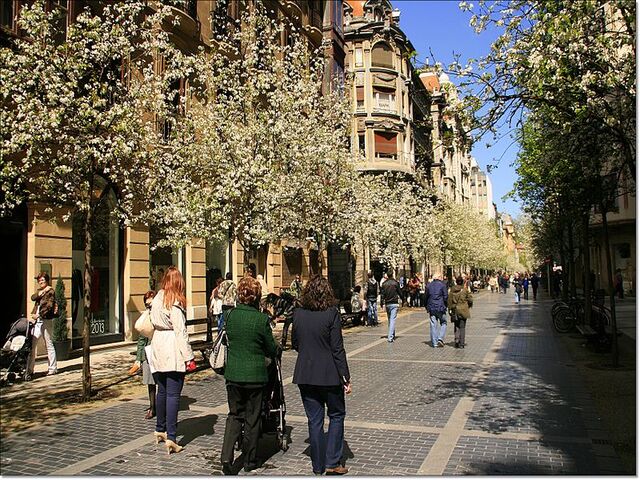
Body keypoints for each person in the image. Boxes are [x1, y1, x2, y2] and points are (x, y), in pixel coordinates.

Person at [292, 275, 351, 476]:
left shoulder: (298, 313)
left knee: (314, 420)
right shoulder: (331, 313)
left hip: (305, 373)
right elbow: (337, 348)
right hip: (329, 374)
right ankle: (332, 461)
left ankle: (317, 466)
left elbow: (295, 343)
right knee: (336, 415)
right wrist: (345, 377)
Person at [221, 276, 278, 474]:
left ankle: (227, 458)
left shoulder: (229, 316)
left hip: (234, 374)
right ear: (256, 297)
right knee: (252, 419)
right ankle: (249, 460)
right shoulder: (261, 319)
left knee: (234, 415)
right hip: (255, 376)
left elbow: (227, 341)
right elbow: (271, 348)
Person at [148, 266, 195, 454]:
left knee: (162, 391)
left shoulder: (157, 298)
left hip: (158, 344)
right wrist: (189, 357)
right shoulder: (174, 301)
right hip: (171, 346)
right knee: (173, 394)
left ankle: (160, 429)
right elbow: (181, 332)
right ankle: (172, 437)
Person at [128, 290, 158, 419]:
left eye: (151, 304)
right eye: (147, 305)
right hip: (149, 352)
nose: (149, 307)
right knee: (150, 382)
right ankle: (153, 407)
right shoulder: (145, 317)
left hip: (161, 351)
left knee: (162, 382)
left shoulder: (161, 315)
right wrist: (138, 360)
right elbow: (141, 340)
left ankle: (162, 406)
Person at [25, 272, 57, 380]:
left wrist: (38, 315)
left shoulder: (50, 291)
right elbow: (32, 297)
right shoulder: (40, 291)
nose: (40, 282)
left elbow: (49, 306)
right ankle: (29, 370)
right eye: (39, 280)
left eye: (42, 280)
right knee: (32, 345)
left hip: (45, 320)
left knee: (49, 344)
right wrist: (40, 293)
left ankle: (52, 369)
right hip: (37, 322)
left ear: (46, 280)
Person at [447, 277, 473, 348]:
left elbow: (449, 301)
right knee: (462, 327)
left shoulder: (452, 290)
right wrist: (469, 305)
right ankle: (462, 343)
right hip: (463, 310)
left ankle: (457, 340)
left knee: (456, 325)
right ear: (462, 282)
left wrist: (449, 309)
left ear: (456, 282)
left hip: (455, 310)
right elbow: (470, 299)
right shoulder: (465, 290)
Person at [425, 273, 448, 348]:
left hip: (432, 307)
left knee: (433, 324)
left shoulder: (429, 285)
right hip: (441, 307)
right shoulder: (443, 285)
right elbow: (445, 297)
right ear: (439, 277)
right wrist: (446, 305)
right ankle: (440, 338)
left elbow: (426, 297)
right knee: (444, 322)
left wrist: (426, 306)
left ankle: (434, 343)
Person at [380, 271, 401, 343]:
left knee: (390, 319)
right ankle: (390, 337)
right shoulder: (395, 283)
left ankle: (392, 334)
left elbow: (382, 294)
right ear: (392, 274)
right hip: (394, 303)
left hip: (388, 303)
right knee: (392, 320)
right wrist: (403, 299)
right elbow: (399, 292)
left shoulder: (384, 284)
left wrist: (381, 302)